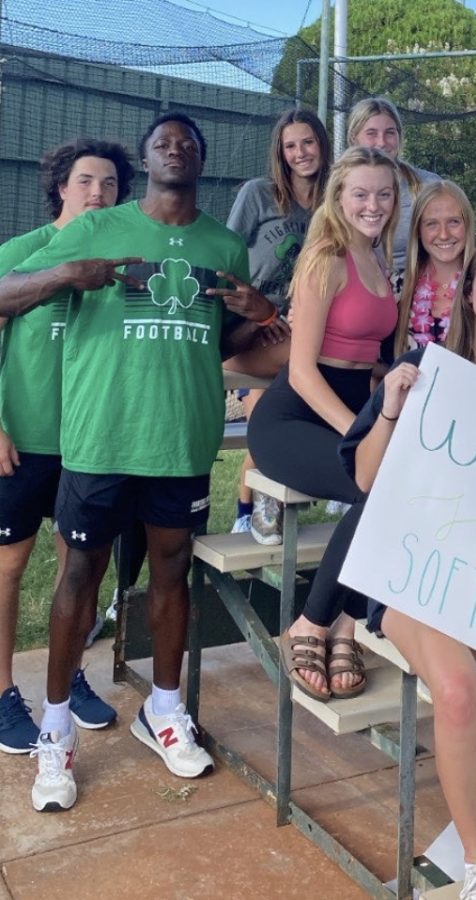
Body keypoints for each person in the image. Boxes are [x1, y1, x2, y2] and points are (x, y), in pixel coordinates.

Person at [0, 112, 277, 811]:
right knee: (77, 579)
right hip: (99, 442)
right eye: (164, 141)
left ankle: (163, 708)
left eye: (187, 141)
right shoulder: (95, 228)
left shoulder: (222, 244)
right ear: (148, 159)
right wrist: (67, 272)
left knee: (172, 578)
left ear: (200, 159)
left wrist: (257, 311)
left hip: (179, 442)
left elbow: (213, 341)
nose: (176, 148)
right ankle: (55, 732)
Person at [340, 237, 476, 900]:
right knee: (458, 693)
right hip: (414, 572)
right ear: (467, 291)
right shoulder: (420, 368)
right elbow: (366, 476)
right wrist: (395, 406)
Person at [247, 146, 400, 702]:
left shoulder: (377, 260)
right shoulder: (326, 258)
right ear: (338, 197)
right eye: (360, 193)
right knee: (376, 485)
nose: (373, 204)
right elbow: (304, 371)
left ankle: (344, 622)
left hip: (351, 411)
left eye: (384, 194)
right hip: (294, 416)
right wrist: (359, 433)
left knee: (397, 488)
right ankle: (311, 622)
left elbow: (369, 356)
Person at [0, 139, 134, 754]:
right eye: (85, 181)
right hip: (22, 443)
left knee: (79, 567)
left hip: (89, 445)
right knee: (8, 571)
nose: (96, 193)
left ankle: (69, 677)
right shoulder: (25, 254)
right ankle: (3, 696)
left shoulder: (117, 268)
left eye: (108, 184)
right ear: (61, 185)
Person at [223, 108, 331, 544]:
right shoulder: (258, 195)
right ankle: (248, 514)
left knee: (286, 418)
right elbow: (227, 259)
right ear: (280, 153)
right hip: (254, 329)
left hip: (302, 327)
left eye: (308, 142)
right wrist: (257, 316)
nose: (301, 152)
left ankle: (266, 509)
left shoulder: (336, 201)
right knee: (266, 426)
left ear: (322, 144)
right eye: (291, 145)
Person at [346, 96, 439, 280]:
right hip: (360, 284)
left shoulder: (427, 185)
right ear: (354, 138)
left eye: (390, 132)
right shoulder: (340, 189)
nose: (382, 142)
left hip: (418, 287)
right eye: (371, 133)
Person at [393, 179, 475, 356]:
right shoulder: (396, 287)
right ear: (418, 230)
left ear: (467, 225)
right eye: (432, 224)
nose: (444, 234)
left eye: (454, 222)